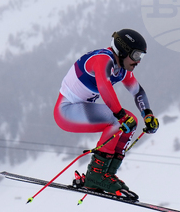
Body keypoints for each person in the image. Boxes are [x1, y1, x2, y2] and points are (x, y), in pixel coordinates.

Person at [54, 28, 160, 200]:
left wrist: (147, 115)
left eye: (141, 57)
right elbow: (104, 87)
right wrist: (119, 115)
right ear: (123, 50)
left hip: (81, 108)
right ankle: (95, 176)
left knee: (130, 122)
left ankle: (106, 175)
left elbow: (138, 92)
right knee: (120, 121)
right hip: (66, 111)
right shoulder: (102, 59)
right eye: (136, 56)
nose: (138, 61)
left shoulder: (122, 69)